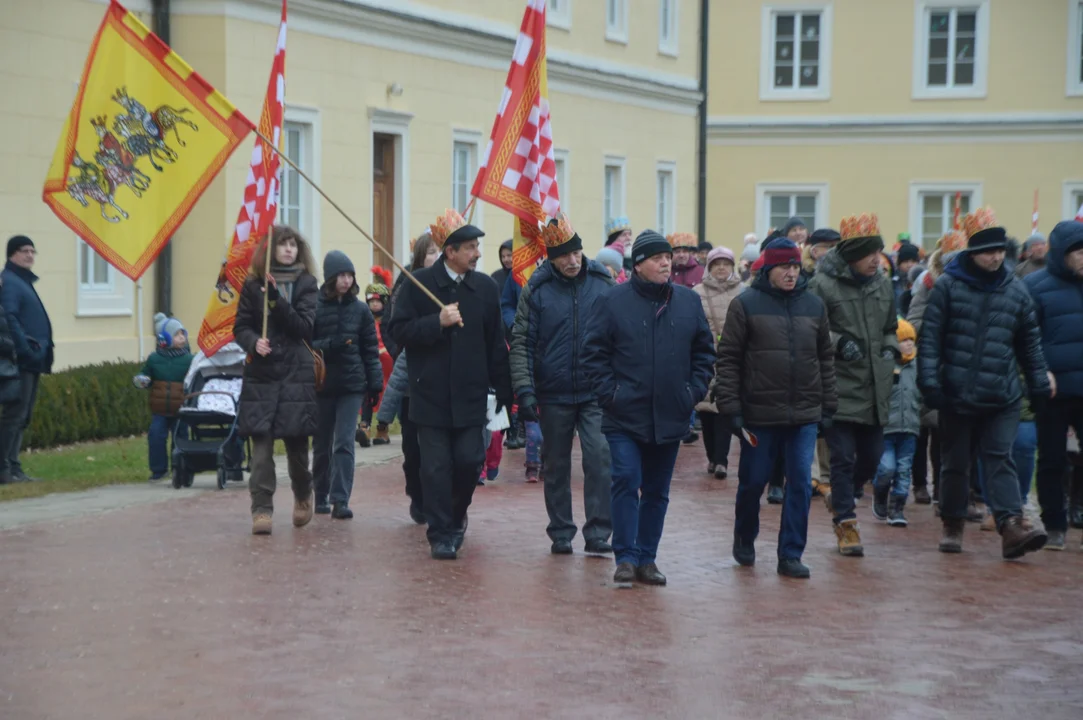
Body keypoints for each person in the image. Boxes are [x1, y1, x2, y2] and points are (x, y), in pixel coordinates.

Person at [582, 229, 715, 586]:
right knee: (625, 479)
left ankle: (647, 558)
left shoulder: (687, 302)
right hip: (624, 412)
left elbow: (704, 351)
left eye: (668, 257)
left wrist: (692, 392)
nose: (665, 263)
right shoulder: (613, 301)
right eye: (657, 258)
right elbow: (593, 353)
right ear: (638, 264)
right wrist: (610, 394)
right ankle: (624, 557)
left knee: (657, 490)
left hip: (671, 412)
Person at [918, 207, 1051, 559]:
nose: (995, 257)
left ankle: (1010, 525)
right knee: (956, 463)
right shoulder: (947, 286)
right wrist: (929, 383)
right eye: (988, 251)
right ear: (972, 253)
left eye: (1000, 251)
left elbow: (1030, 345)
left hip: (1001, 393)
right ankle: (953, 522)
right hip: (956, 392)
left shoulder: (1016, 291)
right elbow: (930, 339)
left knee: (998, 457)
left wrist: (1038, 384)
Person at [388, 209, 512, 560]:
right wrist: (435, 323)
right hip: (430, 396)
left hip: (472, 397)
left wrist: (504, 388)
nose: (477, 253)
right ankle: (440, 533)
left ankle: (457, 517)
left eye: (477, 246)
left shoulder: (485, 288)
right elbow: (397, 333)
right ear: (451, 252)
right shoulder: (419, 284)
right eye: (470, 247)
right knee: (436, 468)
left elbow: (495, 342)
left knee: (470, 462)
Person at [714, 237, 835, 579]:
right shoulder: (746, 304)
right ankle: (744, 536)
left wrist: (828, 406)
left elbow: (825, 359)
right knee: (753, 482)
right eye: (784, 267)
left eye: (796, 266)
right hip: (758, 414)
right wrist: (731, 407)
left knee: (799, 483)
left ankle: (791, 553)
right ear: (768, 269)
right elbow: (729, 359)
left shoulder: (814, 306)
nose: (791, 273)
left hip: (804, 414)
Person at [510, 213, 615, 555]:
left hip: (595, 390)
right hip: (552, 391)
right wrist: (525, 390)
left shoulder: (603, 283)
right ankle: (561, 530)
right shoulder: (537, 290)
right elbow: (522, 340)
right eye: (564, 256)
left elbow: (620, 335)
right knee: (555, 462)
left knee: (599, 457)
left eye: (576, 253)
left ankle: (598, 530)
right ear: (551, 259)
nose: (572, 261)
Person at [808, 213, 898, 558]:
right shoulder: (823, 284)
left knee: (873, 459)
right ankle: (846, 524)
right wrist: (836, 341)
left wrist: (891, 345)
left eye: (878, 252)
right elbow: (810, 328)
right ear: (850, 255)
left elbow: (892, 324)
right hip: (838, 386)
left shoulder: (883, 283)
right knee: (842, 458)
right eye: (868, 253)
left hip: (875, 388)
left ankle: (840, 496)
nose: (876, 259)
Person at [233, 225, 319, 536]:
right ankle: (261, 508)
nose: (288, 250)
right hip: (263, 377)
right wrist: (253, 341)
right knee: (261, 449)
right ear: (270, 250)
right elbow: (240, 326)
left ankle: (302, 495)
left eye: (293, 245)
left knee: (297, 448)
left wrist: (276, 302)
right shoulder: (253, 284)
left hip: (296, 375)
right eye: (282, 245)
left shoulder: (308, 284)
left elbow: (304, 327)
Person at [1023, 219, 1083, 551]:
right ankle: (1055, 523)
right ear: (1062, 254)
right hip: (1054, 389)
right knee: (1051, 459)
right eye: (1078, 251)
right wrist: (1040, 373)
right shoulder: (1035, 286)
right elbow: (1028, 337)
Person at [311, 250, 384, 519]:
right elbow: (306, 344)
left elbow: (370, 350)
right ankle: (320, 493)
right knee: (321, 443)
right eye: (341, 275)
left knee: (344, 442)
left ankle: (340, 498)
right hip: (322, 383)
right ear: (330, 278)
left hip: (352, 384)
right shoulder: (315, 306)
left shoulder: (361, 310)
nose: (346, 280)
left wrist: (374, 385)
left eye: (349, 275)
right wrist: (332, 345)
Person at [0, 236, 54, 484]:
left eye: (33, 251)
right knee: (14, 416)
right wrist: (25, 350)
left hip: (30, 360)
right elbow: (9, 318)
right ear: (12, 254)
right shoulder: (10, 282)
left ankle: (14, 466)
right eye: (24, 251)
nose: (30, 255)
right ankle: (4, 469)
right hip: (20, 361)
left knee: (22, 417)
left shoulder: (22, 280)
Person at [693, 246, 743, 480]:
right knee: (706, 411)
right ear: (709, 268)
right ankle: (712, 456)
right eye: (716, 264)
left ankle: (721, 460)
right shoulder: (697, 292)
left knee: (725, 408)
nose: (721, 268)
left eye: (726, 264)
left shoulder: (744, 291)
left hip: (734, 358)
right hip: (706, 357)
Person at [873, 319, 921, 527]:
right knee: (886, 468)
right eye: (904, 340)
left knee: (904, 469)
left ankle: (897, 508)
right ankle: (880, 493)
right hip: (887, 428)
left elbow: (924, 392)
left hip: (910, 427)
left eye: (911, 339)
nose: (909, 344)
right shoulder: (885, 365)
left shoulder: (917, 366)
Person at [133, 314, 193, 482]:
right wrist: (142, 380)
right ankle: (158, 470)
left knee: (180, 439)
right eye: (177, 334)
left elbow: (194, 378)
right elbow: (146, 374)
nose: (182, 337)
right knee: (156, 436)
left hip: (181, 409)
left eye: (183, 333)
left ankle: (180, 468)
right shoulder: (154, 359)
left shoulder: (189, 359)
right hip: (159, 410)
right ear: (164, 339)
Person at [359, 267, 394, 447]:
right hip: (371, 362)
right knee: (368, 392)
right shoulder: (365, 320)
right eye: (371, 301)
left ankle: (383, 428)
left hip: (388, 364)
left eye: (378, 301)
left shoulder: (389, 321)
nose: (374, 305)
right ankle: (364, 425)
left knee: (387, 396)